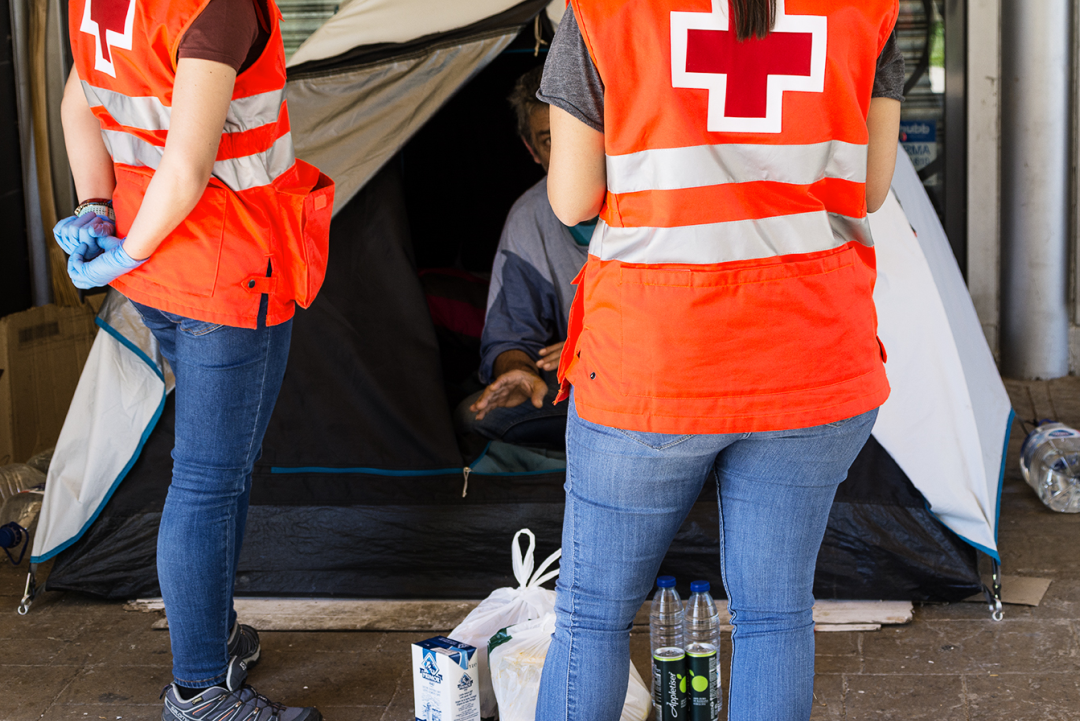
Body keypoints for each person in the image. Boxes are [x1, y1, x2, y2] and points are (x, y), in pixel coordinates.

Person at [533, 1, 904, 719]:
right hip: (812, 357)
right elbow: (870, 187)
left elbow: (573, 199)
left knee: (593, 618)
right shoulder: (870, 8)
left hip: (654, 363)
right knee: (773, 616)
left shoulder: (603, 10)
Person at [56, 1, 332, 720]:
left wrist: (97, 208)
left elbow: (75, 98)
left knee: (218, 467)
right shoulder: (216, 6)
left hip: (158, 278)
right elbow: (186, 167)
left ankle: (214, 638)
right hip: (225, 270)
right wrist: (132, 245)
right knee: (208, 481)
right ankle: (201, 690)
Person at [455, 66, 596, 449]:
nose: (571, 153)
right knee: (478, 414)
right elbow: (509, 334)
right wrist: (517, 370)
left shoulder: (652, 201)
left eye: (580, 134)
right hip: (582, 389)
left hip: (655, 385)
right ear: (532, 150)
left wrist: (605, 346)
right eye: (551, 140)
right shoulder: (529, 217)